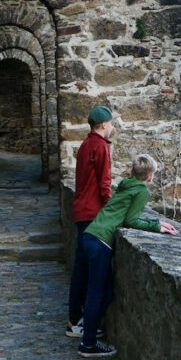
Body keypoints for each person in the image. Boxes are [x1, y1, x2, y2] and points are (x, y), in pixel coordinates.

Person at [77, 152, 179, 359]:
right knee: (97, 293)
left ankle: (90, 329)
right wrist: (157, 227)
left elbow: (123, 214)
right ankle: (88, 344)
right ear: (150, 175)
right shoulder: (141, 191)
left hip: (91, 234)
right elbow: (131, 221)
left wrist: (155, 223)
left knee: (105, 291)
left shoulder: (126, 185)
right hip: (101, 241)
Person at [66, 105, 114, 339]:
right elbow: (104, 184)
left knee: (81, 269)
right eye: (111, 123)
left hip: (81, 211)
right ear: (104, 125)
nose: (112, 127)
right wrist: (112, 210)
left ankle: (75, 318)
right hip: (92, 214)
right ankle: (78, 322)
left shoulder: (85, 145)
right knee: (90, 273)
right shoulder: (101, 146)